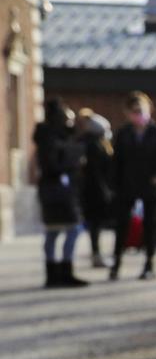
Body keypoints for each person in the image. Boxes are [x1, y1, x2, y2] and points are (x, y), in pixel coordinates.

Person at [109, 91, 156, 280]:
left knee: (150, 225)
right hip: (127, 185)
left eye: (142, 110)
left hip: (150, 185)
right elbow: (116, 161)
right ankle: (116, 262)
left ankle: (149, 263)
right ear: (127, 113)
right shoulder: (123, 133)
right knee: (122, 225)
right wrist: (114, 184)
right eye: (135, 111)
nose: (139, 115)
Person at [33, 99, 88, 288]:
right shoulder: (50, 138)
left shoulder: (58, 137)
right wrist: (73, 159)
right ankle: (60, 272)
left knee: (57, 231)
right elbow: (53, 165)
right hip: (56, 191)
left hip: (60, 190)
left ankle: (59, 272)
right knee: (66, 229)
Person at [75, 109, 113, 269]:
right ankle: (96, 254)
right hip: (95, 191)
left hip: (89, 191)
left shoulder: (83, 143)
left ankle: (96, 253)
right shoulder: (95, 146)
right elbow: (100, 171)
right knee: (94, 224)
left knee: (93, 225)